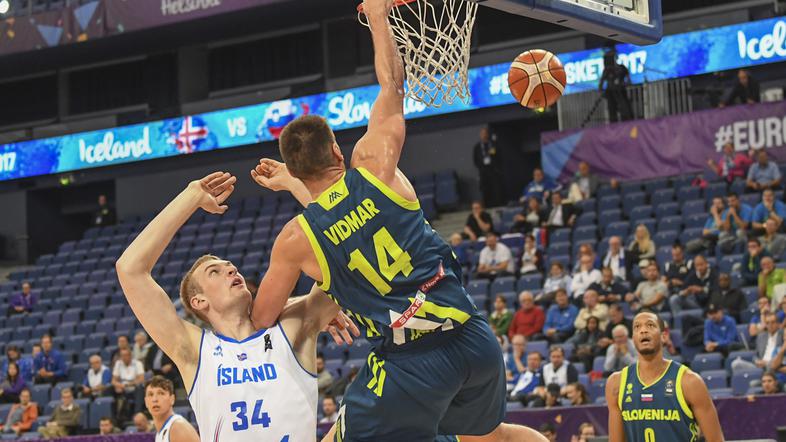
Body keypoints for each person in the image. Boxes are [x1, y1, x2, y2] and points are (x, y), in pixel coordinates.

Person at [248, 2, 545, 440]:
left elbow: (262, 318)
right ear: (337, 151)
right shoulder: (375, 166)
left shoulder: (295, 240)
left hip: (411, 364)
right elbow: (393, 83)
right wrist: (379, 16)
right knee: (488, 436)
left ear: (294, 169)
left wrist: (317, 303)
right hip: (475, 342)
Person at [116, 172, 359, 441]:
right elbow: (130, 270)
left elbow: (349, 242)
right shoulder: (195, 351)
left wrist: (294, 183)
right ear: (199, 302)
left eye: (229, 266)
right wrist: (191, 196)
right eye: (214, 272)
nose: (230, 268)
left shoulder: (292, 328)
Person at [606, 311, 724, 442]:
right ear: (633, 338)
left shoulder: (689, 381)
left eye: (650, 325)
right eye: (637, 327)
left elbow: (716, 440)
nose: (643, 330)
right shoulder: (616, 382)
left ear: (664, 336)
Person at [145, 376, 199, 442]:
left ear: (172, 399)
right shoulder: (160, 433)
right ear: (146, 402)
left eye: (161, 393)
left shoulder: (178, 428)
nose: (155, 399)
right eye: (150, 394)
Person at [473, 126, 506, 208]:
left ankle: (498, 204)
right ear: (480, 135)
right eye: (482, 134)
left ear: (488, 134)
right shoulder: (477, 147)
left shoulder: (493, 144)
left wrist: (496, 166)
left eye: (485, 133)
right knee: (485, 189)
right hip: (483, 172)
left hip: (494, 170)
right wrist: (481, 167)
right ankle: (488, 206)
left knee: (496, 188)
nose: (484, 135)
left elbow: (499, 157)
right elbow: (475, 160)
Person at [112, 347, 145, 423]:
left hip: (134, 388)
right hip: (122, 388)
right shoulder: (118, 364)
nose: (124, 357)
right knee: (110, 389)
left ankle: (137, 415)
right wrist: (118, 385)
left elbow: (141, 379)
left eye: (126, 355)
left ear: (130, 355)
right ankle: (115, 419)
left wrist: (128, 384)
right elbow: (113, 380)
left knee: (140, 387)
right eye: (122, 355)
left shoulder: (137, 363)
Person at [599, 47, 632, 122]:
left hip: (621, 92)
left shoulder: (622, 68)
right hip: (610, 94)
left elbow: (629, 81)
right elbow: (601, 84)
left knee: (625, 112)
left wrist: (622, 84)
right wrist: (602, 93)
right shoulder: (606, 70)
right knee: (612, 114)